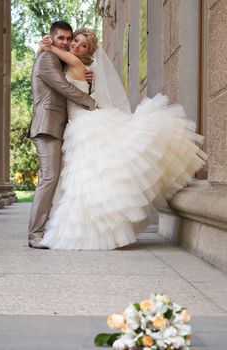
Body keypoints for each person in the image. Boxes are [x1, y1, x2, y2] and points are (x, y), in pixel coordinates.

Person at [39, 28, 207, 250]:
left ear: (88, 52)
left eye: (82, 45)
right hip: (79, 123)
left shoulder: (77, 64)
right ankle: (97, 228)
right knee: (91, 177)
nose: (75, 46)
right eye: (75, 41)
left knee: (88, 177)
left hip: (83, 124)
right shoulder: (82, 67)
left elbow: (52, 50)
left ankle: (92, 231)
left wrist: (46, 44)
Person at [28, 22, 96, 249]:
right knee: (49, 178)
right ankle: (35, 234)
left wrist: (88, 77)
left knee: (54, 179)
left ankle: (44, 229)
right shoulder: (47, 60)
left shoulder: (56, 59)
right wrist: (91, 102)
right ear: (52, 38)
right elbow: (63, 87)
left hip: (58, 126)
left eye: (69, 38)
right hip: (47, 126)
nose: (67, 43)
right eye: (62, 39)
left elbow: (70, 77)